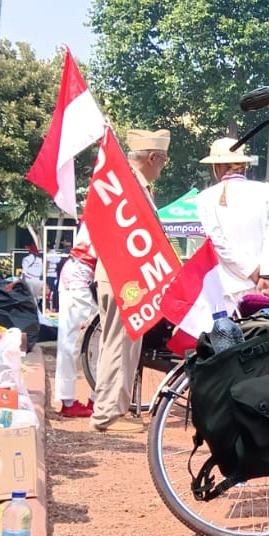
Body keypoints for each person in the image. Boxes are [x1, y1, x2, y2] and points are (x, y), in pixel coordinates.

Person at [91, 128, 170, 434]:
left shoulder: (128, 183)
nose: (163, 167)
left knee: (120, 345)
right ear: (152, 157)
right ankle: (107, 414)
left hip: (123, 276)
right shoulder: (129, 186)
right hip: (123, 277)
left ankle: (111, 409)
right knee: (119, 346)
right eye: (163, 160)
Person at [195, 137, 269, 313]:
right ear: (244, 165)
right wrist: (266, 273)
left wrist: (251, 271)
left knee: (233, 338)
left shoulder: (205, 198)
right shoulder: (267, 191)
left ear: (217, 167)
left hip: (231, 286)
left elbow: (218, 243)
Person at [54, 231, 97, 418]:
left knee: (71, 340)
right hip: (82, 273)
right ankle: (92, 399)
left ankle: (70, 400)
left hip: (78, 270)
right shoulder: (111, 207)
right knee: (95, 339)